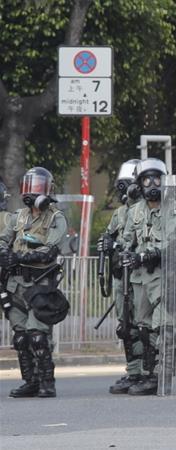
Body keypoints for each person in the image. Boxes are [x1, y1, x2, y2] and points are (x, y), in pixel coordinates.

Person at [1, 167, 67, 398]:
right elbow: (3, 239)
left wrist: (21, 256)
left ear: (47, 190)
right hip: (15, 284)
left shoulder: (56, 218)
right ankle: (30, 381)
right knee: (21, 337)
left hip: (39, 284)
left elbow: (50, 249)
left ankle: (47, 382)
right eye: (28, 186)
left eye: (37, 187)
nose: (31, 192)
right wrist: (4, 253)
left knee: (37, 335)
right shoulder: (18, 216)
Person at [121, 158, 176, 396]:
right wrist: (124, 253)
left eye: (157, 178)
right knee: (144, 327)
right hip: (140, 278)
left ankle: (163, 376)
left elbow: (175, 242)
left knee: (163, 326)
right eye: (146, 179)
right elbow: (128, 239)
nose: (152, 184)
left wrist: (148, 255)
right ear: (139, 183)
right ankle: (149, 375)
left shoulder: (174, 208)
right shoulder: (135, 210)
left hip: (164, 274)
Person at [99, 159, 144, 394]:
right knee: (125, 326)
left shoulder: (146, 210)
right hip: (120, 275)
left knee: (142, 326)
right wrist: (106, 243)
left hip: (140, 275)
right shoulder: (120, 212)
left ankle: (146, 372)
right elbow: (110, 235)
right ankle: (133, 371)